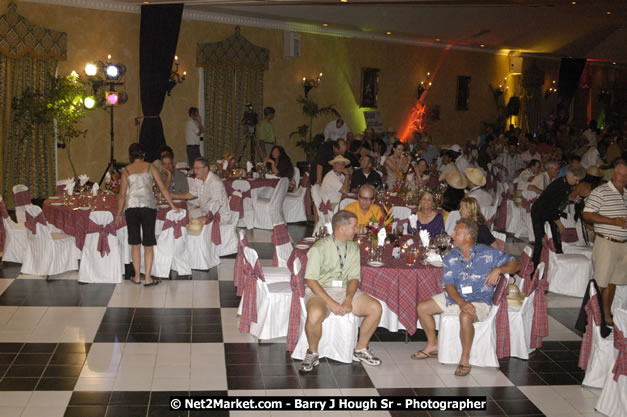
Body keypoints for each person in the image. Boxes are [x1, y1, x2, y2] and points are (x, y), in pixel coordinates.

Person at [411, 219, 519, 376]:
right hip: (458, 296)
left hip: (481, 299)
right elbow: (449, 286)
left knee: (466, 316)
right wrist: (461, 302)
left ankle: (464, 358)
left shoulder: (487, 253)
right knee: (422, 308)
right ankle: (433, 344)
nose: (452, 235)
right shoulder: (450, 256)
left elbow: (516, 264)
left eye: (456, 233)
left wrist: (499, 269)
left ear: (468, 237)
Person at [299, 210, 383, 373]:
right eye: (354, 227)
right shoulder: (319, 248)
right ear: (342, 228)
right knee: (315, 314)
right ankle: (313, 352)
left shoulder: (353, 248)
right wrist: (332, 303)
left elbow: (354, 278)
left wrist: (348, 299)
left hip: (344, 290)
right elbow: (310, 280)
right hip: (320, 290)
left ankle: (360, 349)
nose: (357, 230)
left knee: (375, 308)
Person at [115, 143, 178, 287]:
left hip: (131, 207)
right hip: (148, 207)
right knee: (148, 243)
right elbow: (163, 188)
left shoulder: (126, 170)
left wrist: (119, 213)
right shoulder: (151, 167)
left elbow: (122, 196)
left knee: (135, 243)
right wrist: (173, 205)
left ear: (131, 156)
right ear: (143, 154)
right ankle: (148, 278)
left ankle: (137, 276)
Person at [583, 160, 627, 325]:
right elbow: (587, 214)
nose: (623, 178)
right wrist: (612, 221)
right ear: (613, 174)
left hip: (623, 244)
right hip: (606, 243)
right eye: (620, 174)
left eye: (626, 175)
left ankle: (606, 315)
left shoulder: (626, 194)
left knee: (612, 282)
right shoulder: (601, 191)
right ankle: (591, 318)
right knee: (600, 282)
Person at [530, 165, 586, 269]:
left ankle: (555, 261)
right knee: (540, 240)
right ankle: (534, 266)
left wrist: (571, 199)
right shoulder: (559, 184)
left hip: (550, 211)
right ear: (570, 175)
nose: (577, 183)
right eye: (577, 180)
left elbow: (561, 198)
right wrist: (559, 224)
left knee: (556, 238)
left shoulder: (566, 183)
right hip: (539, 211)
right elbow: (552, 207)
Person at [172, 157, 233, 224]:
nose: (195, 171)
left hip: (219, 216)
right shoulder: (198, 179)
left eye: (198, 168)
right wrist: (173, 196)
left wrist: (204, 218)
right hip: (204, 211)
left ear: (206, 169)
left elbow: (217, 206)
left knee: (194, 223)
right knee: (184, 216)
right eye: (194, 168)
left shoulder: (215, 182)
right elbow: (191, 194)